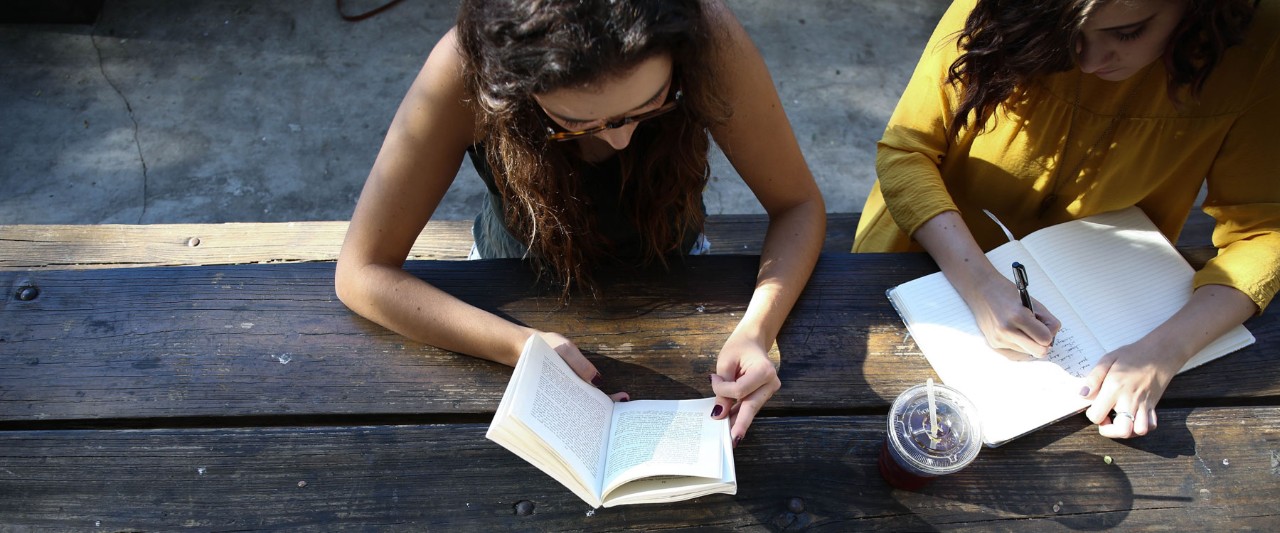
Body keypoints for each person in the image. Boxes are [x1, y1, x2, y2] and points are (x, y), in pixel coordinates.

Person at [335, 0, 826, 447]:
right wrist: (521, 346)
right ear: (512, 86)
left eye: (653, 102)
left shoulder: (707, 35)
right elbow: (362, 272)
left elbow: (797, 204)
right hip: (509, 281)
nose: (621, 140)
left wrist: (757, 331)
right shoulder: (466, 68)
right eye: (577, 123)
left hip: (676, 267)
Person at [854, 0, 1277, 439]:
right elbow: (908, 152)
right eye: (1069, 34)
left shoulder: (1259, 45)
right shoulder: (999, 8)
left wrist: (1164, 351)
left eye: (1128, 32)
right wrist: (979, 284)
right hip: (922, 253)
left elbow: (1266, 231)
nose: (1090, 61)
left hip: (1115, 303)